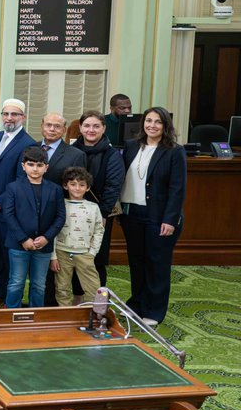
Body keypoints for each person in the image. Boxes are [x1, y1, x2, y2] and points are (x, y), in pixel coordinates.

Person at [120, 106, 186, 325]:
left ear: (165, 126)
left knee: (156, 265)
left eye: (158, 122)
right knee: (136, 263)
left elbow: (178, 189)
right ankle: (137, 304)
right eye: (148, 121)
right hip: (132, 215)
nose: (152, 125)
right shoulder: (130, 147)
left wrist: (170, 219)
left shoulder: (174, 151)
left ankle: (154, 311)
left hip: (159, 217)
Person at [0, 98, 36, 309]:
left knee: (9, 256)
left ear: (23, 117)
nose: (9, 118)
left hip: (10, 209)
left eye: (14, 114)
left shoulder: (28, 143)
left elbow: (22, 179)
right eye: (6, 114)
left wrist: (0, 201)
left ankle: (12, 300)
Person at [0, 146, 65, 309]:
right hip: (18, 245)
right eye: (31, 164)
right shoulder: (13, 187)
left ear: (46, 167)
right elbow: (9, 215)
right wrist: (23, 238)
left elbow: (60, 217)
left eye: (39, 165)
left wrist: (46, 237)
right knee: (16, 282)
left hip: (43, 246)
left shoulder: (55, 189)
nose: (35, 169)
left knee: (39, 284)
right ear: (23, 166)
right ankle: (11, 313)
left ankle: (37, 315)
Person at [72, 109, 125, 288]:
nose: (91, 130)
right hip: (72, 213)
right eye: (87, 125)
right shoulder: (72, 151)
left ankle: (96, 304)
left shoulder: (112, 155)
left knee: (96, 259)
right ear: (80, 128)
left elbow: (113, 186)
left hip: (99, 215)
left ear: (104, 128)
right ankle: (76, 301)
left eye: (96, 126)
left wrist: (102, 214)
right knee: (71, 257)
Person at [51, 167, 104, 307]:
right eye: (73, 184)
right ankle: (65, 314)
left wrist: (92, 252)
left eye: (82, 185)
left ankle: (90, 315)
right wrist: (53, 256)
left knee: (93, 288)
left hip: (85, 253)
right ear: (65, 185)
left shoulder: (93, 207)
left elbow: (99, 231)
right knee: (62, 288)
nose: (77, 188)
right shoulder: (59, 205)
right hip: (62, 253)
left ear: (87, 188)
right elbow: (52, 231)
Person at [38, 112, 87, 183]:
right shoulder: (30, 148)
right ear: (42, 127)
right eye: (48, 125)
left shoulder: (76, 155)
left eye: (57, 126)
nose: (52, 129)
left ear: (64, 130)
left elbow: (77, 185)